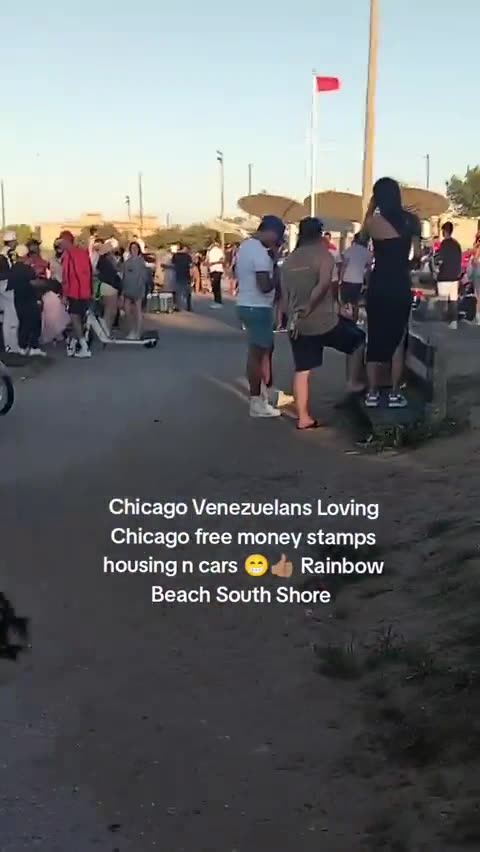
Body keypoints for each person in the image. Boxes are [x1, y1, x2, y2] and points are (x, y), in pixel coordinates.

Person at [281, 217, 366, 429]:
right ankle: (353, 384)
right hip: (323, 320)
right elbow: (324, 285)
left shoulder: (289, 260)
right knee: (358, 341)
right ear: (320, 234)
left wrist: (290, 318)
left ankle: (303, 417)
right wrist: (313, 307)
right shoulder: (324, 256)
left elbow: (283, 295)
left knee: (302, 369)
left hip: (298, 323)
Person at [360, 177, 421, 408]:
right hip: (399, 283)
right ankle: (395, 393)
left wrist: (370, 206)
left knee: (374, 335)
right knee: (398, 338)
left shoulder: (374, 221)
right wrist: (406, 265)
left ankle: (373, 392)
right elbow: (416, 256)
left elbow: (363, 237)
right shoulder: (411, 221)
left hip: (379, 282)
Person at [236, 215, 293, 418]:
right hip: (257, 306)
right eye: (277, 236)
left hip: (247, 303)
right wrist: (276, 270)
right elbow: (265, 285)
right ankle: (256, 401)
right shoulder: (260, 254)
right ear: (269, 231)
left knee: (262, 351)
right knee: (257, 354)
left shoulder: (246, 247)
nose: (278, 240)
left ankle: (263, 394)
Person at [59, 230, 93, 358]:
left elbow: (67, 276)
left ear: (66, 241)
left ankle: (84, 346)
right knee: (78, 319)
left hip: (75, 292)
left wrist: (64, 294)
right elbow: (89, 271)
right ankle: (75, 343)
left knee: (75, 319)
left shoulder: (68, 255)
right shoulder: (82, 253)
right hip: (85, 291)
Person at [8, 245, 46, 356]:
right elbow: (33, 283)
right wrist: (44, 284)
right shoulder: (27, 269)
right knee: (34, 323)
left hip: (18, 298)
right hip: (29, 298)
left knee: (23, 323)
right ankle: (33, 347)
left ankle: (22, 346)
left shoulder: (14, 268)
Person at [339, 233, 373, 323]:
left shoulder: (349, 250)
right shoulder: (367, 253)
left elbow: (344, 266)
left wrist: (340, 279)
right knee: (355, 302)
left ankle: (344, 320)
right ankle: (354, 320)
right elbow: (368, 270)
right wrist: (368, 282)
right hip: (358, 281)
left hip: (346, 279)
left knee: (345, 302)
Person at [436, 221, 462, 329]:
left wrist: (436, 265)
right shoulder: (457, 244)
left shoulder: (444, 244)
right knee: (453, 300)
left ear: (444, 231)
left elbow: (439, 260)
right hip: (455, 276)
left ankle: (443, 324)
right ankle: (453, 322)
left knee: (443, 301)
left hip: (444, 276)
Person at [122, 241, 149, 338]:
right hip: (127, 289)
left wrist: (141, 288)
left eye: (136, 248)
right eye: (132, 248)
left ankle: (137, 332)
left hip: (138, 288)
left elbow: (143, 277)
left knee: (138, 310)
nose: (134, 250)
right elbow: (124, 276)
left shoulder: (141, 261)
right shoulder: (127, 262)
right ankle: (132, 330)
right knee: (127, 310)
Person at [0, 230, 20, 352]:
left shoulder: (3, 254)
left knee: (8, 316)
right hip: (6, 286)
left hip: (4, 286)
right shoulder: (6, 255)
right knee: (11, 317)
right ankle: (11, 345)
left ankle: (9, 344)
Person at [97, 241, 123, 334]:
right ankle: (105, 330)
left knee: (110, 310)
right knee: (110, 310)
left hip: (106, 285)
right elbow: (112, 274)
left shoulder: (103, 260)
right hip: (109, 285)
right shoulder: (107, 261)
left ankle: (105, 329)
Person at [171, 244, 193, 311]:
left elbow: (173, 264)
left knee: (178, 292)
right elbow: (191, 266)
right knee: (188, 292)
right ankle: (188, 306)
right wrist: (192, 276)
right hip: (186, 275)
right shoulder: (188, 256)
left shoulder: (175, 256)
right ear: (184, 249)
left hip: (178, 274)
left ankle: (177, 306)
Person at [206, 238, 224, 308]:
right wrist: (207, 264)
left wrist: (213, 263)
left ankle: (218, 301)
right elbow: (207, 260)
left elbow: (222, 260)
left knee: (216, 285)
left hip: (217, 269)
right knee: (214, 286)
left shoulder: (218, 250)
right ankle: (216, 300)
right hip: (212, 270)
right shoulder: (209, 251)